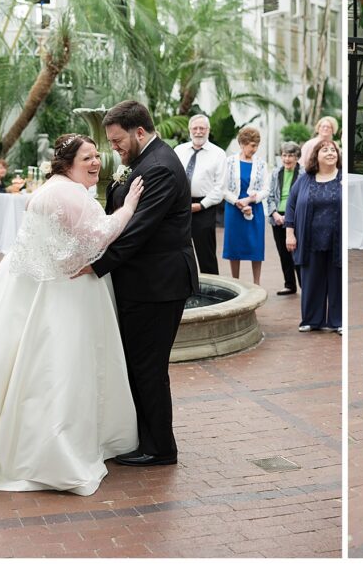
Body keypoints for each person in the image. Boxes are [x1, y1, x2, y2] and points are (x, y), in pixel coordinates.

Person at [0, 134, 143, 495]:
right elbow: (100, 236)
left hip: (36, 286)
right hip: (66, 291)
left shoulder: (49, 189)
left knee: (22, 365)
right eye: (87, 157)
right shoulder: (69, 194)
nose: (96, 162)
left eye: (97, 156)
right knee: (60, 368)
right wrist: (128, 207)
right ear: (68, 161)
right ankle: (50, 447)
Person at [89, 100, 199, 467]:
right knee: (138, 364)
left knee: (148, 366)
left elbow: (138, 232)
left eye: (117, 140)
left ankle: (160, 448)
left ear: (139, 132)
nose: (113, 148)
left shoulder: (161, 168)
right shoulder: (140, 163)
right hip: (140, 282)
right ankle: (143, 437)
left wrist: (94, 265)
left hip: (158, 285)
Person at [285, 140, 342, 332]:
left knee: (337, 280)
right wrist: (290, 233)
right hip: (309, 239)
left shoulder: (343, 179)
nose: (330, 153)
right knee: (311, 279)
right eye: (325, 150)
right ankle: (311, 319)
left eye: (333, 150)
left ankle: (338, 321)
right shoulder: (305, 179)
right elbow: (291, 206)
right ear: (316, 156)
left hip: (336, 240)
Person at [174, 114, 226, 275]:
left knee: (206, 253)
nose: (198, 132)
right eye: (195, 128)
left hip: (204, 207)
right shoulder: (179, 150)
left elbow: (220, 187)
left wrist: (201, 205)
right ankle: (183, 287)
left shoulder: (218, 154)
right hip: (179, 206)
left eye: (202, 128)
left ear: (208, 130)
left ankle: (212, 292)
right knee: (178, 251)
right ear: (189, 130)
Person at [221, 126, 270, 285]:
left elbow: (266, 189)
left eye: (257, 145)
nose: (255, 149)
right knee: (234, 246)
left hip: (254, 207)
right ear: (242, 144)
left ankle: (257, 283)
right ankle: (236, 283)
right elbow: (223, 188)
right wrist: (237, 202)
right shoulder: (229, 162)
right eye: (252, 145)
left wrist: (249, 200)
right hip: (234, 208)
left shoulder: (261, 164)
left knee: (256, 246)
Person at [267, 141, 302, 296]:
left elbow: (304, 199)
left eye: (291, 155)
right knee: (283, 253)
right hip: (277, 218)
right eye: (284, 155)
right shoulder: (276, 172)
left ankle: (304, 285)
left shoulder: (304, 174)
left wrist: (289, 216)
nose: (287, 159)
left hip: (295, 218)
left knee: (298, 253)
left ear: (297, 157)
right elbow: (270, 196)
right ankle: (289, 285)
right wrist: (275, 213)